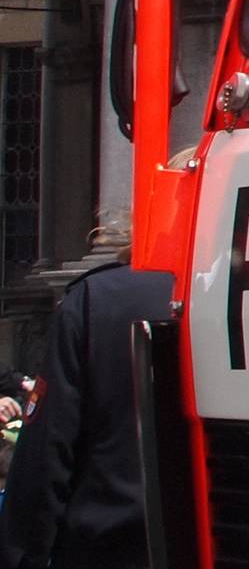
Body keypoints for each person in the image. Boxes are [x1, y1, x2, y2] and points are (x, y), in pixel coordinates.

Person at [1, 217, 173, 569]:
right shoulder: (245, 297)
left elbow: (49, 449)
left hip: (110, 543)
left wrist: (22, 556)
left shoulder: (97, 297)